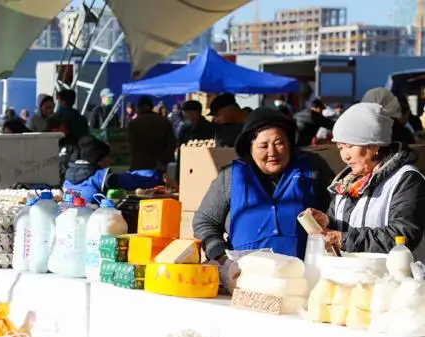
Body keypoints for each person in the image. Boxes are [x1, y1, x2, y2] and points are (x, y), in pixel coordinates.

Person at [193, 108, 334, 261]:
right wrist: (220, 255)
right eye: (263, 146)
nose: (272, 152)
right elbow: (205, 221)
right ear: (250, 148)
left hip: (302, 277)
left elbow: (336, 212)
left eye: (279, 143)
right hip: (243, 277)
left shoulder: (313, 169)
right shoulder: (230, 177)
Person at [303, 102, 425, 258]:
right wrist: (327, 221)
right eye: (340, 147)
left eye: (350, 146)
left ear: (375, 146)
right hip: (354, 276)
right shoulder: (346, 183)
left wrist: (343, 240)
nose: (345, 156)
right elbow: (348, 224)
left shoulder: (406, 180)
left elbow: (403, 235)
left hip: (390, 279)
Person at [63, 136, 163, 204]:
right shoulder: (99, 177)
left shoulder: (68, 177)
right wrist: (159, 176)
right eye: (107, 157)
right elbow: (132, 179)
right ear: (97, 159)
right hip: (93, 222)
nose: (110, 161)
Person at [127, 96, 176, 173]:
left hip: (140, 167)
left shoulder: (133, 124)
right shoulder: (164, 122)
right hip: (160, 166)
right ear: (152, 107)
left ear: (138, 108)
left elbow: (131, 146)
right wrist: (161, 160)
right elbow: (172, 144)